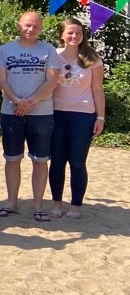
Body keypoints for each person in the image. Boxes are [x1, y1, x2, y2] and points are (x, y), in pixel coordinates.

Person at [0, 11, 61, 221]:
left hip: (41, 113)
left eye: (36, 26)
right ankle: (11, 202)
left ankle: (38, 206)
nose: (31, 29)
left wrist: (29, 102)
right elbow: (2, 81)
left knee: (40, 161)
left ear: (41, 28)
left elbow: (52, 81)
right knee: (12, 159)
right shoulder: (5, 50)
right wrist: (17, 101)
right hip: (11, 111)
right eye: (28, 25)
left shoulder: (49, 50)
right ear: (18, 25)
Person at [48, 18, 105, 219]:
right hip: (55, 114)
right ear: (62, 35)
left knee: (77, 162)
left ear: (83, 36)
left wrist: (100, 117)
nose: (74, 36)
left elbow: (97, 90)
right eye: (70, 32)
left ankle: (76, 205)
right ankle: (56, 203)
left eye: (78, 33)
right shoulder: (52, 55)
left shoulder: (92, 59)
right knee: (56, 161)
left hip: (83, 115)